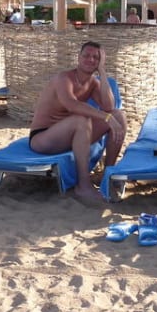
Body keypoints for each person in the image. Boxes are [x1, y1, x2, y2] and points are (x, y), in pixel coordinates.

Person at [28, 41, 127, 204]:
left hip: (70, 136)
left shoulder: (93, 82)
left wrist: (102, 72)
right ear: (78, 57)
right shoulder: (64, 78)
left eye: (96, 57)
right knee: (81, 120)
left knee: (118, 116)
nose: (90, 59)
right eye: (86, 55)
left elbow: (109, 106)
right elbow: (71, 104)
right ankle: (83, 186)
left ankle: (107, 174)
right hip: (43, 138)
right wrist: (106, 117)